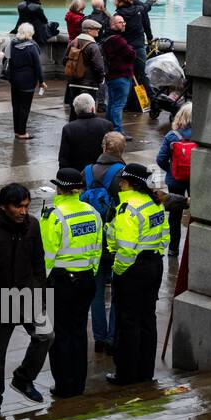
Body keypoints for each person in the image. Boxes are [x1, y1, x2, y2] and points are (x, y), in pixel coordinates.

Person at [0, 183, 53, 418]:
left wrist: (41, 294)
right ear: (4, 206)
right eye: (18, 207)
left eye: (26, 206)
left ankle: (23, 379)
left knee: (46, 336)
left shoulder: (32, 225)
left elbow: (39, 262)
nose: (23, 211)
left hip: (28, 294)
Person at [40, 168, 103, 399]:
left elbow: (47, 254)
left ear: (59, 188)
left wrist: (44, 282)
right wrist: (90, 271)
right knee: (78, 332)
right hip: (86, 278)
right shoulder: (92, 212)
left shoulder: (53, 214)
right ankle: (78, 382)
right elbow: (98, 247)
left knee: (60, 334)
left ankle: (64, 385)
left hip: (61, 281)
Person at [105, 164, 169, 387]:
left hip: (133, 269)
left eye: (122, 181)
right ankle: (145, 371)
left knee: (128, 321)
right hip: (154, 265)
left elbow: (126, 248)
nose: (120, 184)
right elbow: (165, 235)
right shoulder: (155, 203)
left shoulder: (128, 209)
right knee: (147, 318)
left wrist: (119, 271)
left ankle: (126, 373)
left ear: (130, 183)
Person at [88, 132, 127, 354]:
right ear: (122, 151)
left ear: (103, 148)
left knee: (97, 291)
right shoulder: (123, 174)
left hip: (92, 240)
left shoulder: (87, 171)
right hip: (115, 239)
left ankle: (99, 338)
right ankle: (113, 337)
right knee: (118, 291)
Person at [155, 101, 193, 258]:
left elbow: (160, 159)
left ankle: (173, 249)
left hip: (175, 180)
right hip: (195, 179)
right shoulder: (202, 135)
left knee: (175, 215)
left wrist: (171, 171)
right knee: (197, 215)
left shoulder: (172, 136)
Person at [5, 22, 47, 139]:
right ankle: (22, 132)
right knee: (25, 107)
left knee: (16, 106)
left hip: (14, 79)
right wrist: (41, 81)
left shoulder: (12, 44)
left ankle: (17, 130)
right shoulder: (32, 47)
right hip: (27, 80)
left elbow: (6, 60)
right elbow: (38, 66)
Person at [58, 93, 116, 172]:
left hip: (77, 173)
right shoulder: (107, 125)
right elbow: (113, 153)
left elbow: (64, 158)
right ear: (92, 109)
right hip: (101, 173)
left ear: (76, 111)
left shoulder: (68, 128)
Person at [64, 18, 107, 115]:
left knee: (74, 111)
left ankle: (72, 129)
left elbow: (65, 60)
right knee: (88, 112)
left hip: (73, 82)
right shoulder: (93, 46)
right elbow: (99, 67)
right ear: (88, 30)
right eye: (96, 29)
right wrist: (100, 80)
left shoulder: (73, 42)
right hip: (89, 85)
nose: (98, 31)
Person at [102, 15, 136, 136]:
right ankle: (117, 131)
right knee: (118, 104)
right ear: (113, 25)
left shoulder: (107, 38)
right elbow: (131, 55)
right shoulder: (118, 40)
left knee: (112, 102)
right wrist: (131, 48)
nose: (124, 24)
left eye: (124, 22)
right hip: (121, 76)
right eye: (121, 22)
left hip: (111, 76)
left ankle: (107, 128)